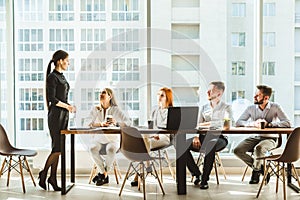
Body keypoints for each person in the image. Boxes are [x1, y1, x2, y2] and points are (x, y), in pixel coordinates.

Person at [234, 85, 291, 184]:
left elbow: (287, 123)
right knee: (237, 150)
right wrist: (252, 124)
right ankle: (261, 169)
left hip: (271, 139)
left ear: (266, 98)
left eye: (258, 95)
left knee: (259, 149)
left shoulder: (275, 107)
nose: (254, 97)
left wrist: (269, 124)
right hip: (255, 137)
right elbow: (238, 122)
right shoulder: (251, 108)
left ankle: (255, 173)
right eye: (255, 95)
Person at [38, 50, 76, 191]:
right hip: (56, 116)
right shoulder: (52, 77)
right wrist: (68, 106)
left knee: (59, 150)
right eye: (67, 60)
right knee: (56, 148)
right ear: (60, 61)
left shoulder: (62, 76)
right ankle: (44, 174)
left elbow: (63, 97)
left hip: (63, 115)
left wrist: (69, 107)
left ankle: (52, 178)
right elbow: (53, 100)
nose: (68, 63)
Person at [186, 81, 232, 189]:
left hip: (219, 138)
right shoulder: (204, 107)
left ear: (219, 94)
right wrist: (196, 136)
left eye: (211, 90)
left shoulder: (226, 108)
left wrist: (207, 124)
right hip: (202, 137)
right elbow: (197, 125)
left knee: (210, 144)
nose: (207, 92)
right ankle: (197, 174)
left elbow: (227, 125)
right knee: (181, 145)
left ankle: (204, 180)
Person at [88, 88, 131, 186]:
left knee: (111, 150)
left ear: (110, 96)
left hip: (113, 139)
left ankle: (102, 175)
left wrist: (117, 123)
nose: (100, 94)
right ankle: (104, 174)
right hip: (98, 139)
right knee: (92, 149)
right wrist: (100, 124)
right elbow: (87, 123)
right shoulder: (95, 109)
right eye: (100, 93)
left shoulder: (115, 110)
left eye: (103, 92)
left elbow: (129, 123)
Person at [131, 87, 173, 186]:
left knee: (145, 144)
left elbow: (169, 128)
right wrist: (152, 134)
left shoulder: (171, 112)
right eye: (158, 95)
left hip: (164, 137)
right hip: (153, 136)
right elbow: (149, 125)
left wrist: (157, 134)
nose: (159, 97)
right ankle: (147, 166)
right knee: (143, 140)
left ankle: (139, 175)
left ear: (168, 98)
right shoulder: (155, 109)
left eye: (162, 95)